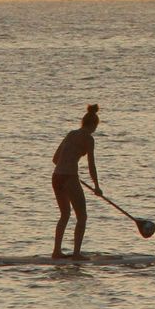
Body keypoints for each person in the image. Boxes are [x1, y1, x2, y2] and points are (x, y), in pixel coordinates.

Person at [51, 105, 101, 258]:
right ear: (94, 125)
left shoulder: (71, 133)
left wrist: (68, 169)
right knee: (82, 216)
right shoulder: (88, 139)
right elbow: (91, 165)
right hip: (69, 177)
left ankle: (56, 252)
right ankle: (76, 253)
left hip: (56, 176)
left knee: (65, 215)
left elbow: (55, 159)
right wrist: (97, 186)